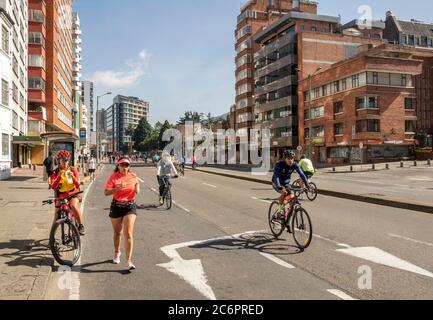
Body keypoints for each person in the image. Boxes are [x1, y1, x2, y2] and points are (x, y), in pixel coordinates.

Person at [104, 157, 140, 272]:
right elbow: (106, 192)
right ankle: (117, 252)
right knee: (117, 233)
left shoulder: (133, 176)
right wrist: (117, 189)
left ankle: (129, 260)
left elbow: (137, 184)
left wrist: (137, 189)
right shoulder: (113, 177)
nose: (125, 167)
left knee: (128, 233)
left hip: (130, 206)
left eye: (127, 165)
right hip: (116, 206)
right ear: (118, 166)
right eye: (122, 165)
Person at [50, 150, 85, 235]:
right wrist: (58, 177)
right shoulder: (55, 172)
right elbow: (53, 186)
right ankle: (52, 237)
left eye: (66, 160)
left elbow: (77, 185)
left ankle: (81, 225)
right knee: (56, 216)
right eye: (63, 160)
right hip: (61, 196)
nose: (65, 162)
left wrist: (73, 177)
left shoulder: (73, 169)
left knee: (73, 206)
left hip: (73, 193)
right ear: (59, 161)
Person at [272, 151, 310, 220]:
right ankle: (279, 212)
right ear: (285, 159)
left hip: (286, 184)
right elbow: (276, 176)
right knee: (284, 193)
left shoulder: (294, 165)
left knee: (293, 200)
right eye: (288, 158)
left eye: (292, 158)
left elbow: (302, 175)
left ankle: (287, 221)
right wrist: (278, 186)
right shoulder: (279, 164)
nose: (291, 160)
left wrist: (308, 186)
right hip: (277, 183)